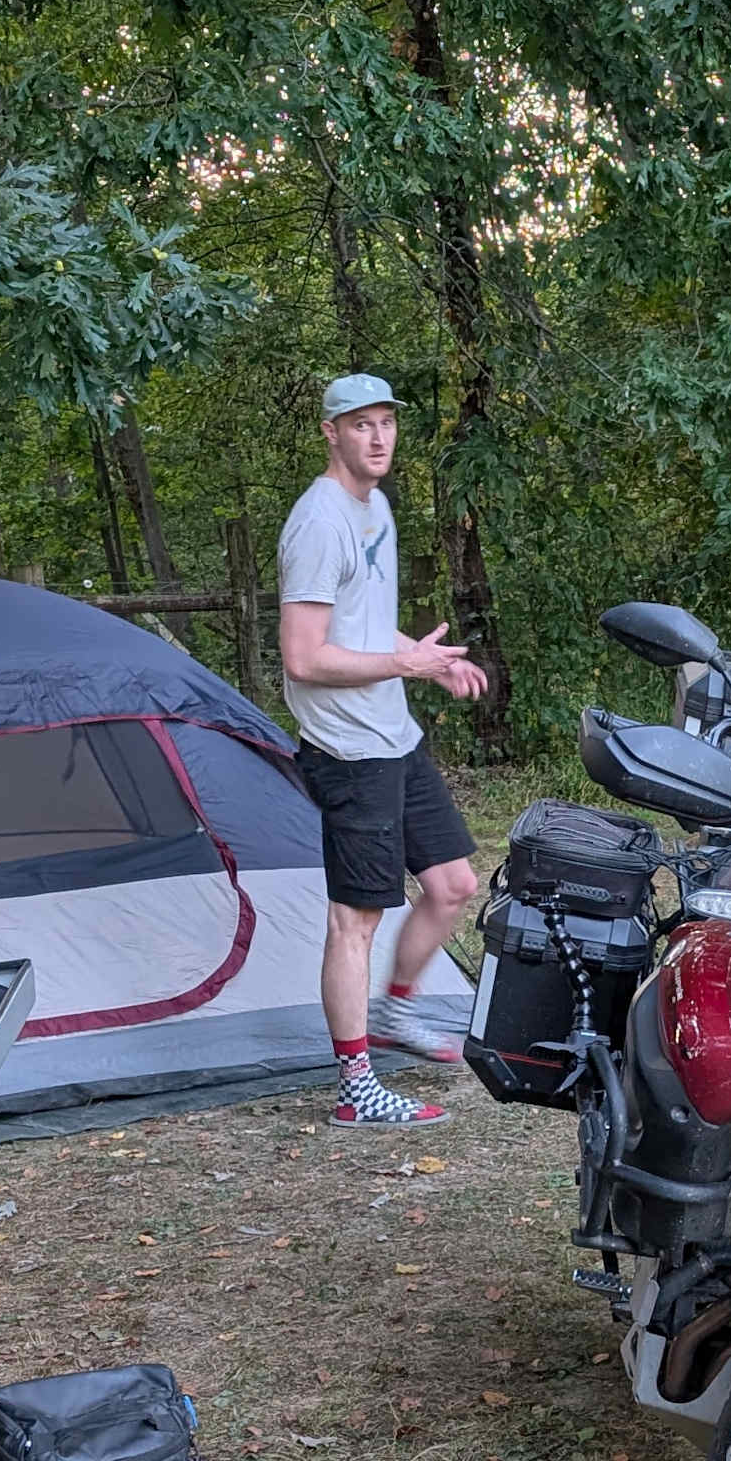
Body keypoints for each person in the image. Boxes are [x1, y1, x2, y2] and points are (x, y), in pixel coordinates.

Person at [278, 374, 487, 1127]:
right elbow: (304, 657)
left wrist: (429, 659)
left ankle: (397, 1011)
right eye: (360, 424)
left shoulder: (377, 508)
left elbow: (362, 630)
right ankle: (356, 1086)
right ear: (330, 432)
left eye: (387, 423)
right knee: (356, 919)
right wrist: (406, 664)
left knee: (454, 883)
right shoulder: (318, 522)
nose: (378, 437)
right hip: (346, 748)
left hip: (391, 734)